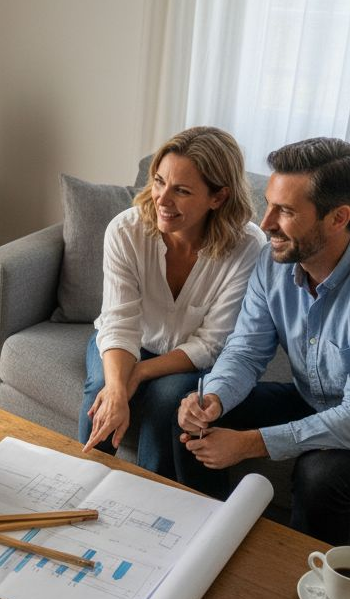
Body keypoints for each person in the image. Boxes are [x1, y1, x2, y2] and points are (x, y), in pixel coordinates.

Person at [176, 137, 350, 545]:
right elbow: (246, 352)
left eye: (284, 211)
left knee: (319, 474)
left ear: (338, 218)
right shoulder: (273, 262)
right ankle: (200, 545)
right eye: (268, 204)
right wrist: (213, 398)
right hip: (313, 398)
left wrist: (251, 444)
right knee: (194, 413)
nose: (265, 224)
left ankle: (308, 587)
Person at [79, 126, 263, 482]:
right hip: (126, 343)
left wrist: (141, 374)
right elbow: (120, 322)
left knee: (166, 403)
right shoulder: (125, 230)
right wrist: (118, 387)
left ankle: (147, 504)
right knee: (102, 391)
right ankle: (79, 489)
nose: (162, 199)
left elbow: (212, 343)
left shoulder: (248, 247)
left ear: (218, 197)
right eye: (160, 181)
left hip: (188, 360)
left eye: (181, 190)